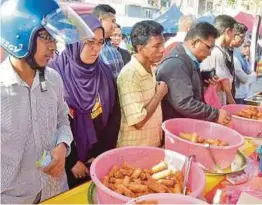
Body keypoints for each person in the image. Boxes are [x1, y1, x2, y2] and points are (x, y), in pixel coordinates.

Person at [0, 0, 94, 202]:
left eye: (54, 38)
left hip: (56, 190)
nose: (53, 47)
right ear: (19, 34)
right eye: (46, 37)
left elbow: (62, 120)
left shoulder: (53, 79)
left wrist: (62, 145)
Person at [49, 15, 121, 188]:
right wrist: (71, 161)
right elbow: (49, 125)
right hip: (66, 163)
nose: (95, 49)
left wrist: (101, 153)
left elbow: (114, 115)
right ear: (74, 41)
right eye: (89, 41)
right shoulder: (54, 74)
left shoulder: (103, 73)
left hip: (96, 157)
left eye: (100, 42)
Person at [157, 22, 231, 125]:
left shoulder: (187, 61)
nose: (210, 53)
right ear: (195, 42)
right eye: (209, 47)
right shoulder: (176, 64)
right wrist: (216, 114)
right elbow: (184, 103)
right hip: (177, 127)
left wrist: (202, 79)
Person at [117, 20, 168, 147]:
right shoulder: (130, 76)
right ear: (140, 48)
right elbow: (138, 122)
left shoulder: (150, 67)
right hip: (134, 148)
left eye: (163, 44)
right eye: (156, 46)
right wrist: (159, 95)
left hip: (150, 143)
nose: (162, 50)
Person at [201, 15, 237, 105]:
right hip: (214, 103)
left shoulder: (218, 50)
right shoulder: (216, 52)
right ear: (228, 31)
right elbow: (224, 85)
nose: (234, 36)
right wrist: (233, 105)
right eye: (234, 33)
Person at [92, 4, 124, 78]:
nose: (115, 25)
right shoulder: (90, 49)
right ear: (100, 21)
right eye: (113, 21)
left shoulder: (113, 49)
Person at [234, 39, 256, 104]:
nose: (248, 49)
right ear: (239, 47)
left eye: (249, 46)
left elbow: (254, 75)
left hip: (245, 93)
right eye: (245, 46)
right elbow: (244, 79)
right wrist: (252, 75)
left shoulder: (245, 60)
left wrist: (251, 75)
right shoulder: (235, 60)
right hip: (237, 95)